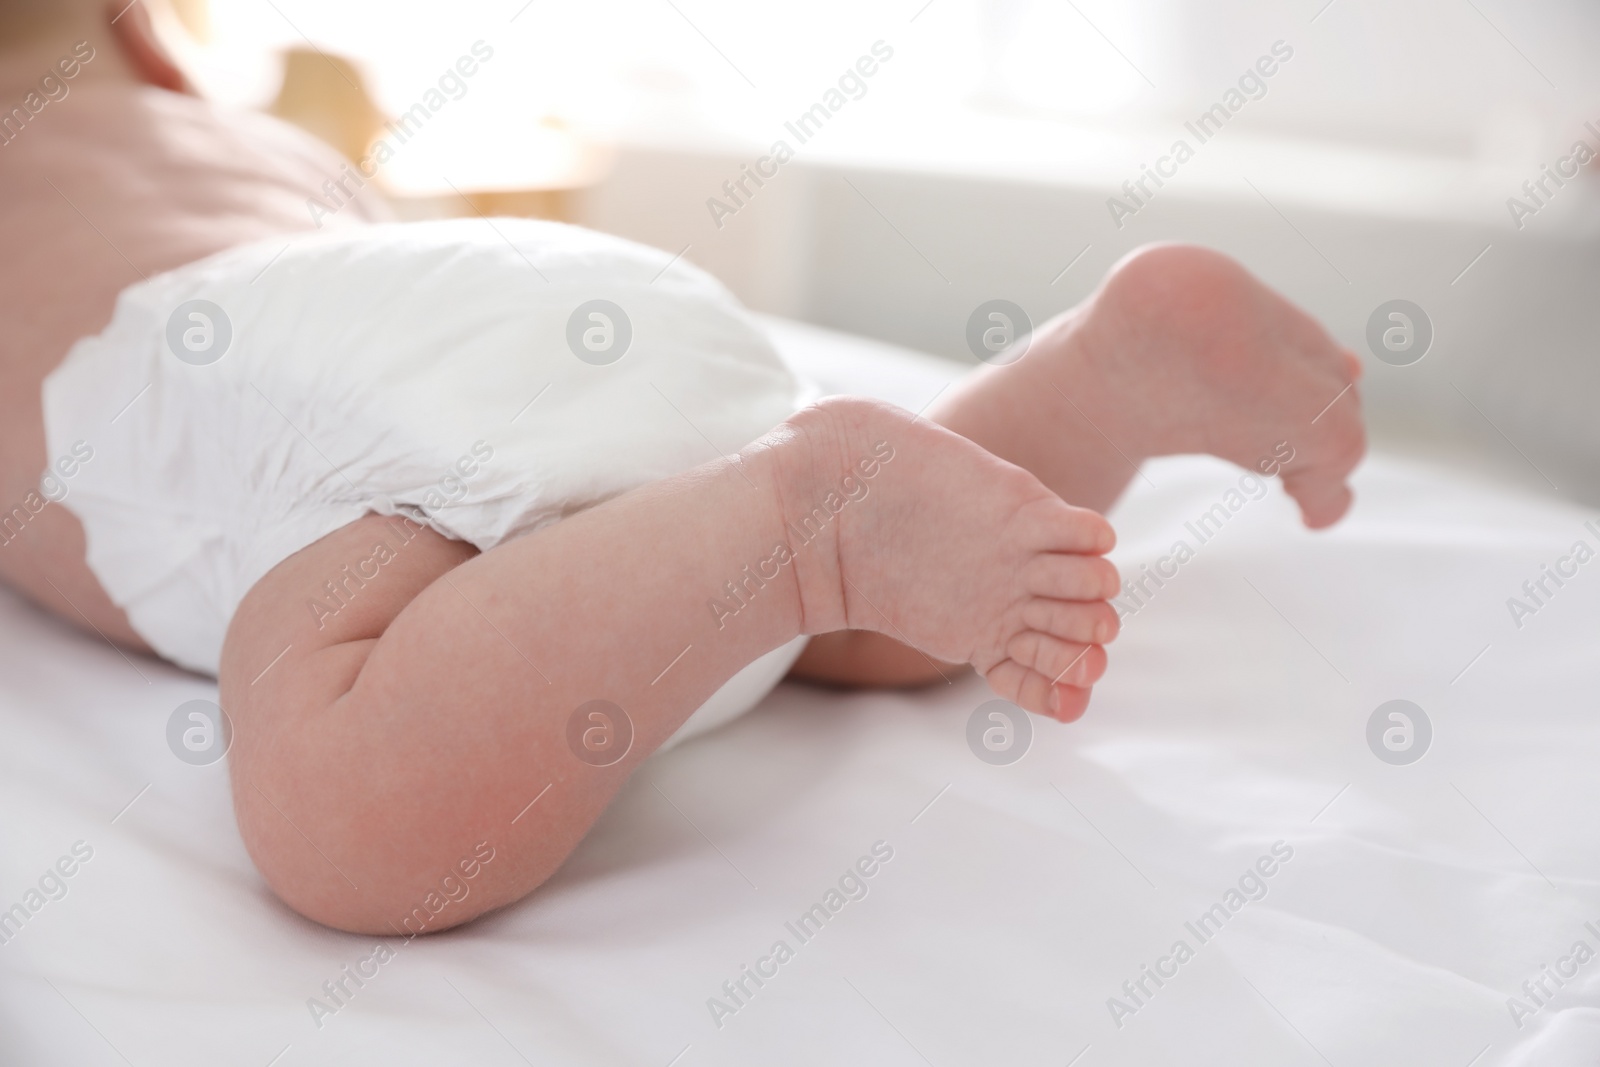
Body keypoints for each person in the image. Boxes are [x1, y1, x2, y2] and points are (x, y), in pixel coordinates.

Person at [0, 1, 1364, 935]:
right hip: (561, 297)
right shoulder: (248, 143)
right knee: (838, 632)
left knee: (342, 816)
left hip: (264, 386)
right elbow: (411, 299)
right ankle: (1101, 369)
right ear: (149, 43)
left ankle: (798, 517)